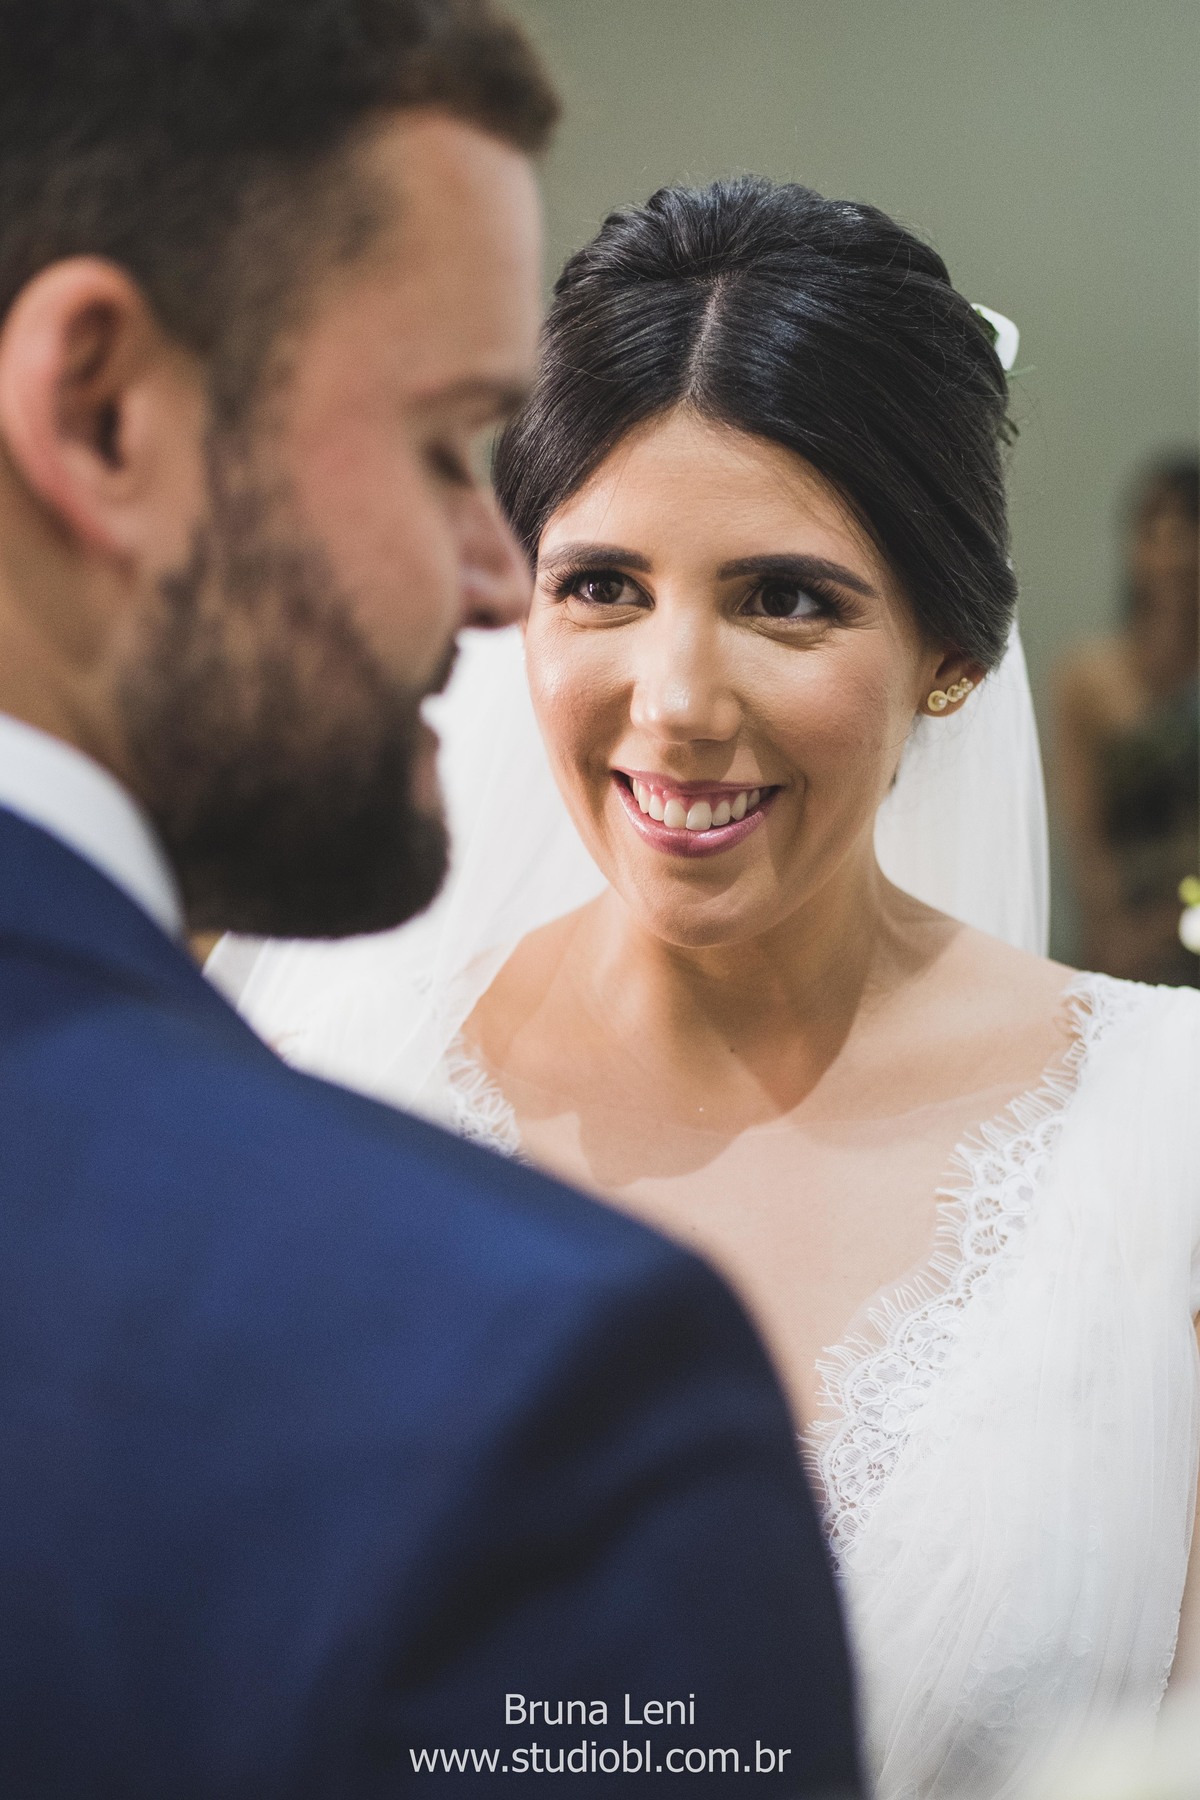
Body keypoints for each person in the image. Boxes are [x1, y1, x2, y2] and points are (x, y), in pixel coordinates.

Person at [217, 178, 1200, 1800]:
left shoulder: (1166, 1134)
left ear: (954, 651)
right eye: (601, 584)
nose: (674, 707)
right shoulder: (321, 1088)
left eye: (786, 599)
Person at [0, 9, 864, 1795]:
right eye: (442, 445)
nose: (498, 583)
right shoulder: (531, 1388)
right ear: (99, 411)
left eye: (786, 598)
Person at [1054, 455, 1200, 986]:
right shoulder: (1089, 683)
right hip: (1125, 945)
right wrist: (1115, 937)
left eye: (1192, 529)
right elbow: (1086, 842)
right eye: (1159, 530)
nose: (1176, 552)